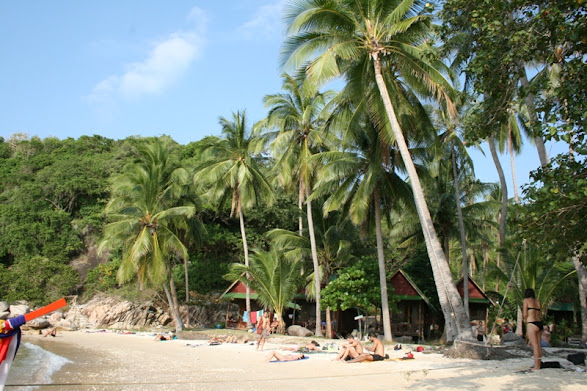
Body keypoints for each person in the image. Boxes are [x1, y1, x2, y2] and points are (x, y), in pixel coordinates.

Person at [523, 288, 543, 370]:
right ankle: (538, 364)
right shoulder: (538, 302)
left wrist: (525, 321)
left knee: (534, 346)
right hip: (539, 323)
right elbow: (540, 313)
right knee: (538, 346)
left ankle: (536, 366)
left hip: (531, 323)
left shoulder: (526, 300)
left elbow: (525, 314)